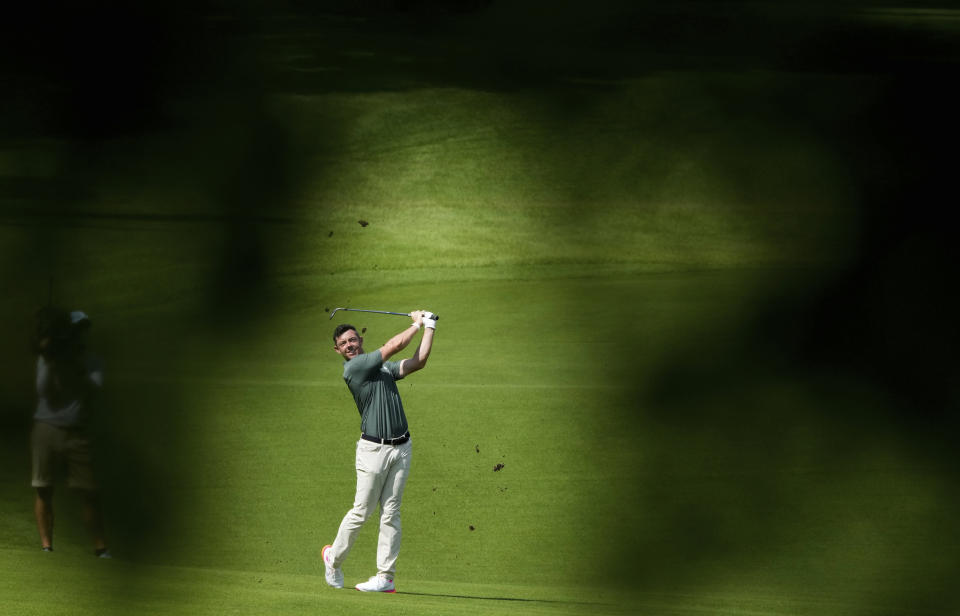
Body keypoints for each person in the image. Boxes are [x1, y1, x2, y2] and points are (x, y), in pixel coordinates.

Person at [322, 310, 437, 593]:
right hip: (373, 449)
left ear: (360, 339)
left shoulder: (382, 369)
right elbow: (394, 346)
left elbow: (418, 362)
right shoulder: (355, 369)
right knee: (362, 511)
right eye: (344, 344)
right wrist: (416, 323)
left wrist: (430, 327)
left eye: (353, 340)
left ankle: (385, 577)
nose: (349, 345)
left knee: (391, 513)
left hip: (402, 448)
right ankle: (333, 560)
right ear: (338, 350)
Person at [31, 308, 110, 558]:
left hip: (76, 431)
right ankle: (46, 546)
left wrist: (73, 365)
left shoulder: (92, 360)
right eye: (74, 330)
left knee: (88, 492)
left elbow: (94, 388)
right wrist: (52, 361)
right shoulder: (48, 358)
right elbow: (44, 391)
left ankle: (100, 548)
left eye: (81, 330)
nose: (78, 335)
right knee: (43, 488)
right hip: (45, 427)